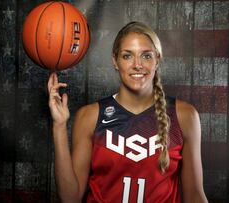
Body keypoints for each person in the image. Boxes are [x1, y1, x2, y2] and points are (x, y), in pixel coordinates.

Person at [48, 21, 208, 203]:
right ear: (115, 61)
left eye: (146, 56)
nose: (137, 65)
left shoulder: (185, 116)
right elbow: (70, 198)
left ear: (158, 59)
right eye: (127, 56)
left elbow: (195, 196)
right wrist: (59, 125)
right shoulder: (90, 116)